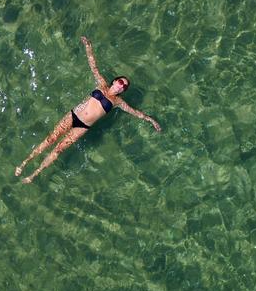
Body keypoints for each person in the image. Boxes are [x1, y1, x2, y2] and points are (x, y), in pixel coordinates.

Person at [15, 36, 162, 184]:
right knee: (51, 139)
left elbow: (135, 112)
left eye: (124, 86)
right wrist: (88, 46)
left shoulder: (118, 102)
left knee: (58, 150)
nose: (121, 86)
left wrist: (151, 120)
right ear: (114, 81)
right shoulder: (102, 84)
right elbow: (93, 66)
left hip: (83, 127)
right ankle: (24, 163)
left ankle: (34, 174)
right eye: (120, 82)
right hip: (73, 115)